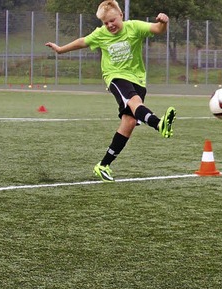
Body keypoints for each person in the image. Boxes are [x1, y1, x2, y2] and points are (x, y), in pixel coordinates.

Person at [45, 0, 176, 182]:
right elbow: (83, 41)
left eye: (112, 20)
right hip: (115, 77)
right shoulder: (101, 34)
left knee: (129, 122)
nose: (110, 25)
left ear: (121, 15)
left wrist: (163, 22)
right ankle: (158, 123)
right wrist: (60, 50)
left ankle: (103, 165)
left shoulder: (134, 27)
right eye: (105, 23)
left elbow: (157, 29)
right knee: (134, 101)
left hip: (137, 78)